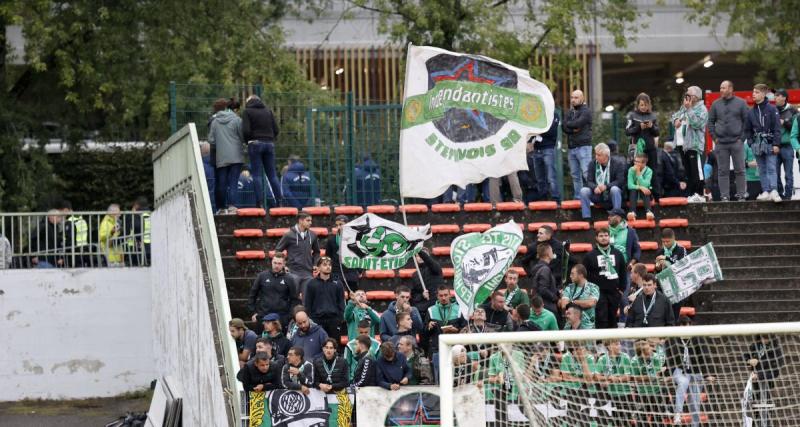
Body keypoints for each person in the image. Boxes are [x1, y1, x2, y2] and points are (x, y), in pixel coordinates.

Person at [666, 316, 715, 426]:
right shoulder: (672, 339)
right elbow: (669, 358)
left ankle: (695, 425)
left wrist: (707, 374)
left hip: (695, 372)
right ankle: (678, 413)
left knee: (695, 404)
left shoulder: (697, 338)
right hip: (679, 371)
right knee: (683, 382)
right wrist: (668, 374)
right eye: (682, 326)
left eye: (687, 326)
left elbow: (704, 357)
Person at [707, 81, 749, 201]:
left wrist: (742, 139)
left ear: (730, 89)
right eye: (720, 88)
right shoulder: (715, 104)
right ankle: (724, 196)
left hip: (737, 142)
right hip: (721, 143)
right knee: (722, 171)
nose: (721, 90)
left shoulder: (741, 103)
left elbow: (747, 122)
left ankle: (741, 195)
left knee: (740, 170)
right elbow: (710, 122)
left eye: (724, 88)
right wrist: (715, 138)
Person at [745, 84, 783, 202]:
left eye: (756, 92)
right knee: (761, 169)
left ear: (763, 94)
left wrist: (776, 144)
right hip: (757, 144)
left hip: (770, 142)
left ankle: (774, 191)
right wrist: (750, 142)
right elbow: (747, 129)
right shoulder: (751, 112)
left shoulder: (772, 109)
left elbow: (777, 128)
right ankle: (765, 191)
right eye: (753, 92)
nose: (753, 94)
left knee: (771, 167)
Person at [242, 94, 281, 208]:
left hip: (255, 144)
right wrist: (270, 138)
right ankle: (279, 201)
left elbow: (246, 130)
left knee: (257, 175)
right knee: (272, 175)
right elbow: (276, 129)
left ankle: (259, 203)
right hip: (269, 144)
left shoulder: (247, 112)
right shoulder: (268, 111)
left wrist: (247, 141)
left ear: (249, 101)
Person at [583, 228, 626, 329]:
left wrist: (621, 290)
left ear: (609, 237)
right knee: (601, 319)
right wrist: (590, 292)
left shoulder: (618, 254)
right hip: (598, 293)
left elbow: (623, 272)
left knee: (613, 319)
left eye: (606, 235)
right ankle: (600, 339)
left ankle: (613, 339)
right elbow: (585, 275)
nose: (604, 238)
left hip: (614, 292)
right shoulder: (589, 256)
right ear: (596, 238)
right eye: (601, 236)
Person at [673, 85, 710, 202]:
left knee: (696, 170)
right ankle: (692, 193)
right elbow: (675, 115)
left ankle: (699, 193)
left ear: (695, 97)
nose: (686, 97)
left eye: (688, 95)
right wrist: (676, 120)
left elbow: (697, 124)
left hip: (694, 144)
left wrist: (689, 110)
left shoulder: (702, 109)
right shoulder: (685, 106)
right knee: (688, 171)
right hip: (683, 144)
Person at [208, 98, 245, 215]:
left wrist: (220, 144)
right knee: (233, 182)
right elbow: (242, 136)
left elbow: (211, 140)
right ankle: (232, 207)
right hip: (236, 156)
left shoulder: (215, 121)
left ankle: (221, 208)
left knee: (221, 183)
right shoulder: (237, 120)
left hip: (221, 157)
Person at [249, 253, 300, 329]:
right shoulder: (262, 276)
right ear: (271, 262)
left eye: (279, 263)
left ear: (284, 264)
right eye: (275, 263)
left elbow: (294, 299)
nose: (276, 266)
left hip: (281, 318)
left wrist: (289, 317)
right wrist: (253, 312)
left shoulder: (289, 279)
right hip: (264, 316)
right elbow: (252, 294)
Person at [425, 285, 465, 382]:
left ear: (450, 295)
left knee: (455, 379)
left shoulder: (459, 309)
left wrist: (456, 330)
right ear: (437, 296)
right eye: (441, 295)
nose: (443, 298)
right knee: (439, 380)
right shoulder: (431, 310)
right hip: (437, 349)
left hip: (454, 349)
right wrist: (428, 326)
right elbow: (424, 332)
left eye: (445, 295)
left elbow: (464, 329)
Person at [275, 212, 320, 297]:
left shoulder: (313, 235)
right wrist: (284, 266)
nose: (310, 223)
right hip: (293, 272)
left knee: (307, 299)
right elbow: (278, 251)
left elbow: (317, 252)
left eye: (311, 220)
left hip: (308, 273)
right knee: (293, 299)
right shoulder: (288, 235)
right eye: (308, 220)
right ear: (300, 221)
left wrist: (315, 264)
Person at [579, 143, 626, 220]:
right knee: (584, 191)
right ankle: (587, 217)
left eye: (599, 155)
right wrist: (595, 187)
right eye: (596, 154)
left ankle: (616, 216)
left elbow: (620, 181)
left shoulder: (617, 164)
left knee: (615, 189)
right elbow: (589, 181)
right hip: (597, 193)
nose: (596, 157)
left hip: (611, 194)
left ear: (606, 156)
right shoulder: (592, 163)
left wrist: (606, 186)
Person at [744, 334, 784, 420]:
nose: (764, 340)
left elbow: (776, 372)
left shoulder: (776, 349)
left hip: (767, 383)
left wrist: (759, 375)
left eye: (766, 338)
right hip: (754, 383)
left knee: (767, 408)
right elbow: (745, 356)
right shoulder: (755, 346)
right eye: (763, 338)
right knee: (754, 407)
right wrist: (749, 361)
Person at [304, 257, 345, 340]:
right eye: (325, 265)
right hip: (317, 320)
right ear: (318, 267)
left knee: (335, 345)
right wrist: (311, 319)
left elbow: (341, 302)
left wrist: (340, 318)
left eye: (329, 265)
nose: (328, 267)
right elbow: (308, 304)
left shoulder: (338, 283)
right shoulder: (311, 284)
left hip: (334, 320)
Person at [562, 89, 593, 198]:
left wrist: (569, 124)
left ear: (582, 98)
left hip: (583, 146)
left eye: (576, 97)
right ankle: (579, 198)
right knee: (575, 176)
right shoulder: (570, 112)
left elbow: (578, 123)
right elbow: (564, 127)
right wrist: (572, 129)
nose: (573, 100)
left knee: (587, 174)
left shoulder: (586, 111)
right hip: (572, 147)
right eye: (572, 97)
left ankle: (591, 198)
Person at [486, 343, 526, 425]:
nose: (505, 346)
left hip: (516, 392)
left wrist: (516, 378)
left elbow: (523, 375)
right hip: (500, 393)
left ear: (512, 344)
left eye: (507, 344)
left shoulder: (519, 355)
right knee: (502, 421)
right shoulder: (494, 357)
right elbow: (490, 379)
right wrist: (498, 378)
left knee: (522, 419)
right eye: (503, 344)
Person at [595, 339, 633, 424]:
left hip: (625, 394)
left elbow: (628, 376)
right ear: (609, 346)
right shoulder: (603, 359)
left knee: (626, 421)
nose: (619, 346)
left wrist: (615, 379)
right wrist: (608, 377)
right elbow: (596, 376)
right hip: (610, 395)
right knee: (615, 422)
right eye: (616, 344)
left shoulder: (625, 357)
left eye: (619, 344)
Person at [631, 339, 667, 426]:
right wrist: (651, 376)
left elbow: (657, 375)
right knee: (642, 419)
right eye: (648, 350)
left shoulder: (656, 357)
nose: (651, 351)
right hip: (642, 393)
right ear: (641, 353)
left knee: (657, 418)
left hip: (656, 391)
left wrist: (645, 377)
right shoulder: (634, 361)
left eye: (650, 348)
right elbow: (635, 378)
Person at [625, 93, 660, 174]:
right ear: (638, 105)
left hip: (650, 149)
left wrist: (651, 127)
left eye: (646, 105)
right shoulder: (632, 115)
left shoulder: (653, 116)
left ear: (649, 105)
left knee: (652, 172)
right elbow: (627, 131)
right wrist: (639, 127)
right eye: (642, 105)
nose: (644, 107)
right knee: (635, 171)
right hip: (636, 149)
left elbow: (657, 133)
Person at [531, 112, 562, 202]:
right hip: (536, 149)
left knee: (551, 177)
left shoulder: (554, 114)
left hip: (548, 149)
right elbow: (530, 130)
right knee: (539, 178)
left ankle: (556, 200)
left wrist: (538, 131)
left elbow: (551, 131)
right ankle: (543, 200)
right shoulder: (537, 113)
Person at [559, 264, 599, 329]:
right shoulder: (569, 287)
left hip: (587, 327)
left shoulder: (593, 287)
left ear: (581, 275)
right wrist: (582, 303)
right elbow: (564, 305)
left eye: (572, 274)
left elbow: (590, 303)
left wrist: (572, 302)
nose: (570, 276)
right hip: (569, 327)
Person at [327, 215, 361, 291]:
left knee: (352, 295)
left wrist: (359, 270)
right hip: (336, 272)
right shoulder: (331, 240)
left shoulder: (354, 239)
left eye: (341, 224)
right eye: (337, 225)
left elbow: (359, 255)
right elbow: (329, 257)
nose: (338, 227)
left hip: (351, 272)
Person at [774, 89, 797, 200]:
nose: (775, 97)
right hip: (775, 146)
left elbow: (796, 128)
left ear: (784, 97)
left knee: (788, 173)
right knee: (775, 173)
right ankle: (779, 194)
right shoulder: (772, 110)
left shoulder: (793, 110)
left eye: (778, 95)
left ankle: (788, 196)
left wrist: (785, 122)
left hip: (787, 146)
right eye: (775, 95)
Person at [409, 247, 443, 314]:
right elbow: (414, 295)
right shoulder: (415, 275)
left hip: (435, 306)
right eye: (418, 256)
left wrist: (419, 251)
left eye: (423, 255)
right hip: (421, 308)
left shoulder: (435, 268)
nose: (420, 257)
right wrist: (422, 295)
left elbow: (429, 261)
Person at [528, 243, 559, 316]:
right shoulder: (545, 269)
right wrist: (555, 298)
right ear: (548, 254)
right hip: (547, 308)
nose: (553, 253)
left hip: (540, 306)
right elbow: (543, 289)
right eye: (551, 251)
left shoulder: (537, 268)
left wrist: (557, 291)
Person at [122, 197, 151, 266]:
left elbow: (126, 233)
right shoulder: (152, 215)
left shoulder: (133, 216)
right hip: (151, 248)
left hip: (136, 249)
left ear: (136, 205)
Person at [627, 153, 655, 221]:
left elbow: (645, 185)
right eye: (635, 161)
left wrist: (638, 173)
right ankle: (632, 212)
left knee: (645, 190)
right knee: (633, 190)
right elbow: (630, 185)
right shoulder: (631, 170)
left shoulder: (649, 171)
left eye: (638, 162)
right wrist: (640, 187)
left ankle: (649, 212)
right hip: (633, 194)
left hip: (646, 194)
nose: (635, 163)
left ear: (644, 163)